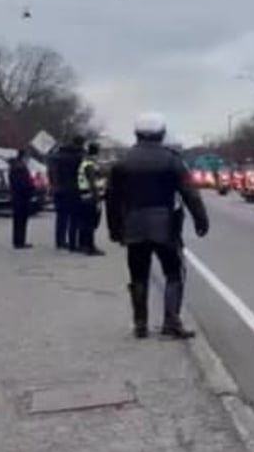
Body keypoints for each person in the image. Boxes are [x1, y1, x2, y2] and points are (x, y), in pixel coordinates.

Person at [107, 112, 209, 339]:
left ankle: (140, 324)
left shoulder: (123, 163)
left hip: (133, 225)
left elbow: (112, 199)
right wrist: (201, 220)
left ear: (137, 134)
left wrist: (114, 229)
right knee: (173, 272)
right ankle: (171, 322)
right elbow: (189, 193)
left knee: (138, 274)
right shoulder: (172, 160)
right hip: (164, 225)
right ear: (161, 134)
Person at [48, 135, 85, 249]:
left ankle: (60, 241)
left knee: (61, 216)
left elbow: (50, 173)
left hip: (58, 189)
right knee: (74, 217)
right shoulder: (78, 156)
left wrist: (53, 185)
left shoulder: (56, 157)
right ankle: (73, 241)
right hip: (73, 189)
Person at [75, 142, 105, 255]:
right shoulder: (90, 165)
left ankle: (83, 244)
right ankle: (90, 247)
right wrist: (97, 199)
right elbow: (93, 183)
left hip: (84, 195)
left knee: (85, 222)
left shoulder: (85, 162)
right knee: (91, 224)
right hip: (90, 197)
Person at [8, 148, 34, 249]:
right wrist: (30, 190)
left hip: (17, 197)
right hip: (21, 197)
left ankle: (19, 241)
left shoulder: (15, 167)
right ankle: (19, 242)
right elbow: (22, 184)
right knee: (21, 220)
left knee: (19, 221)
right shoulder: (20, 168)